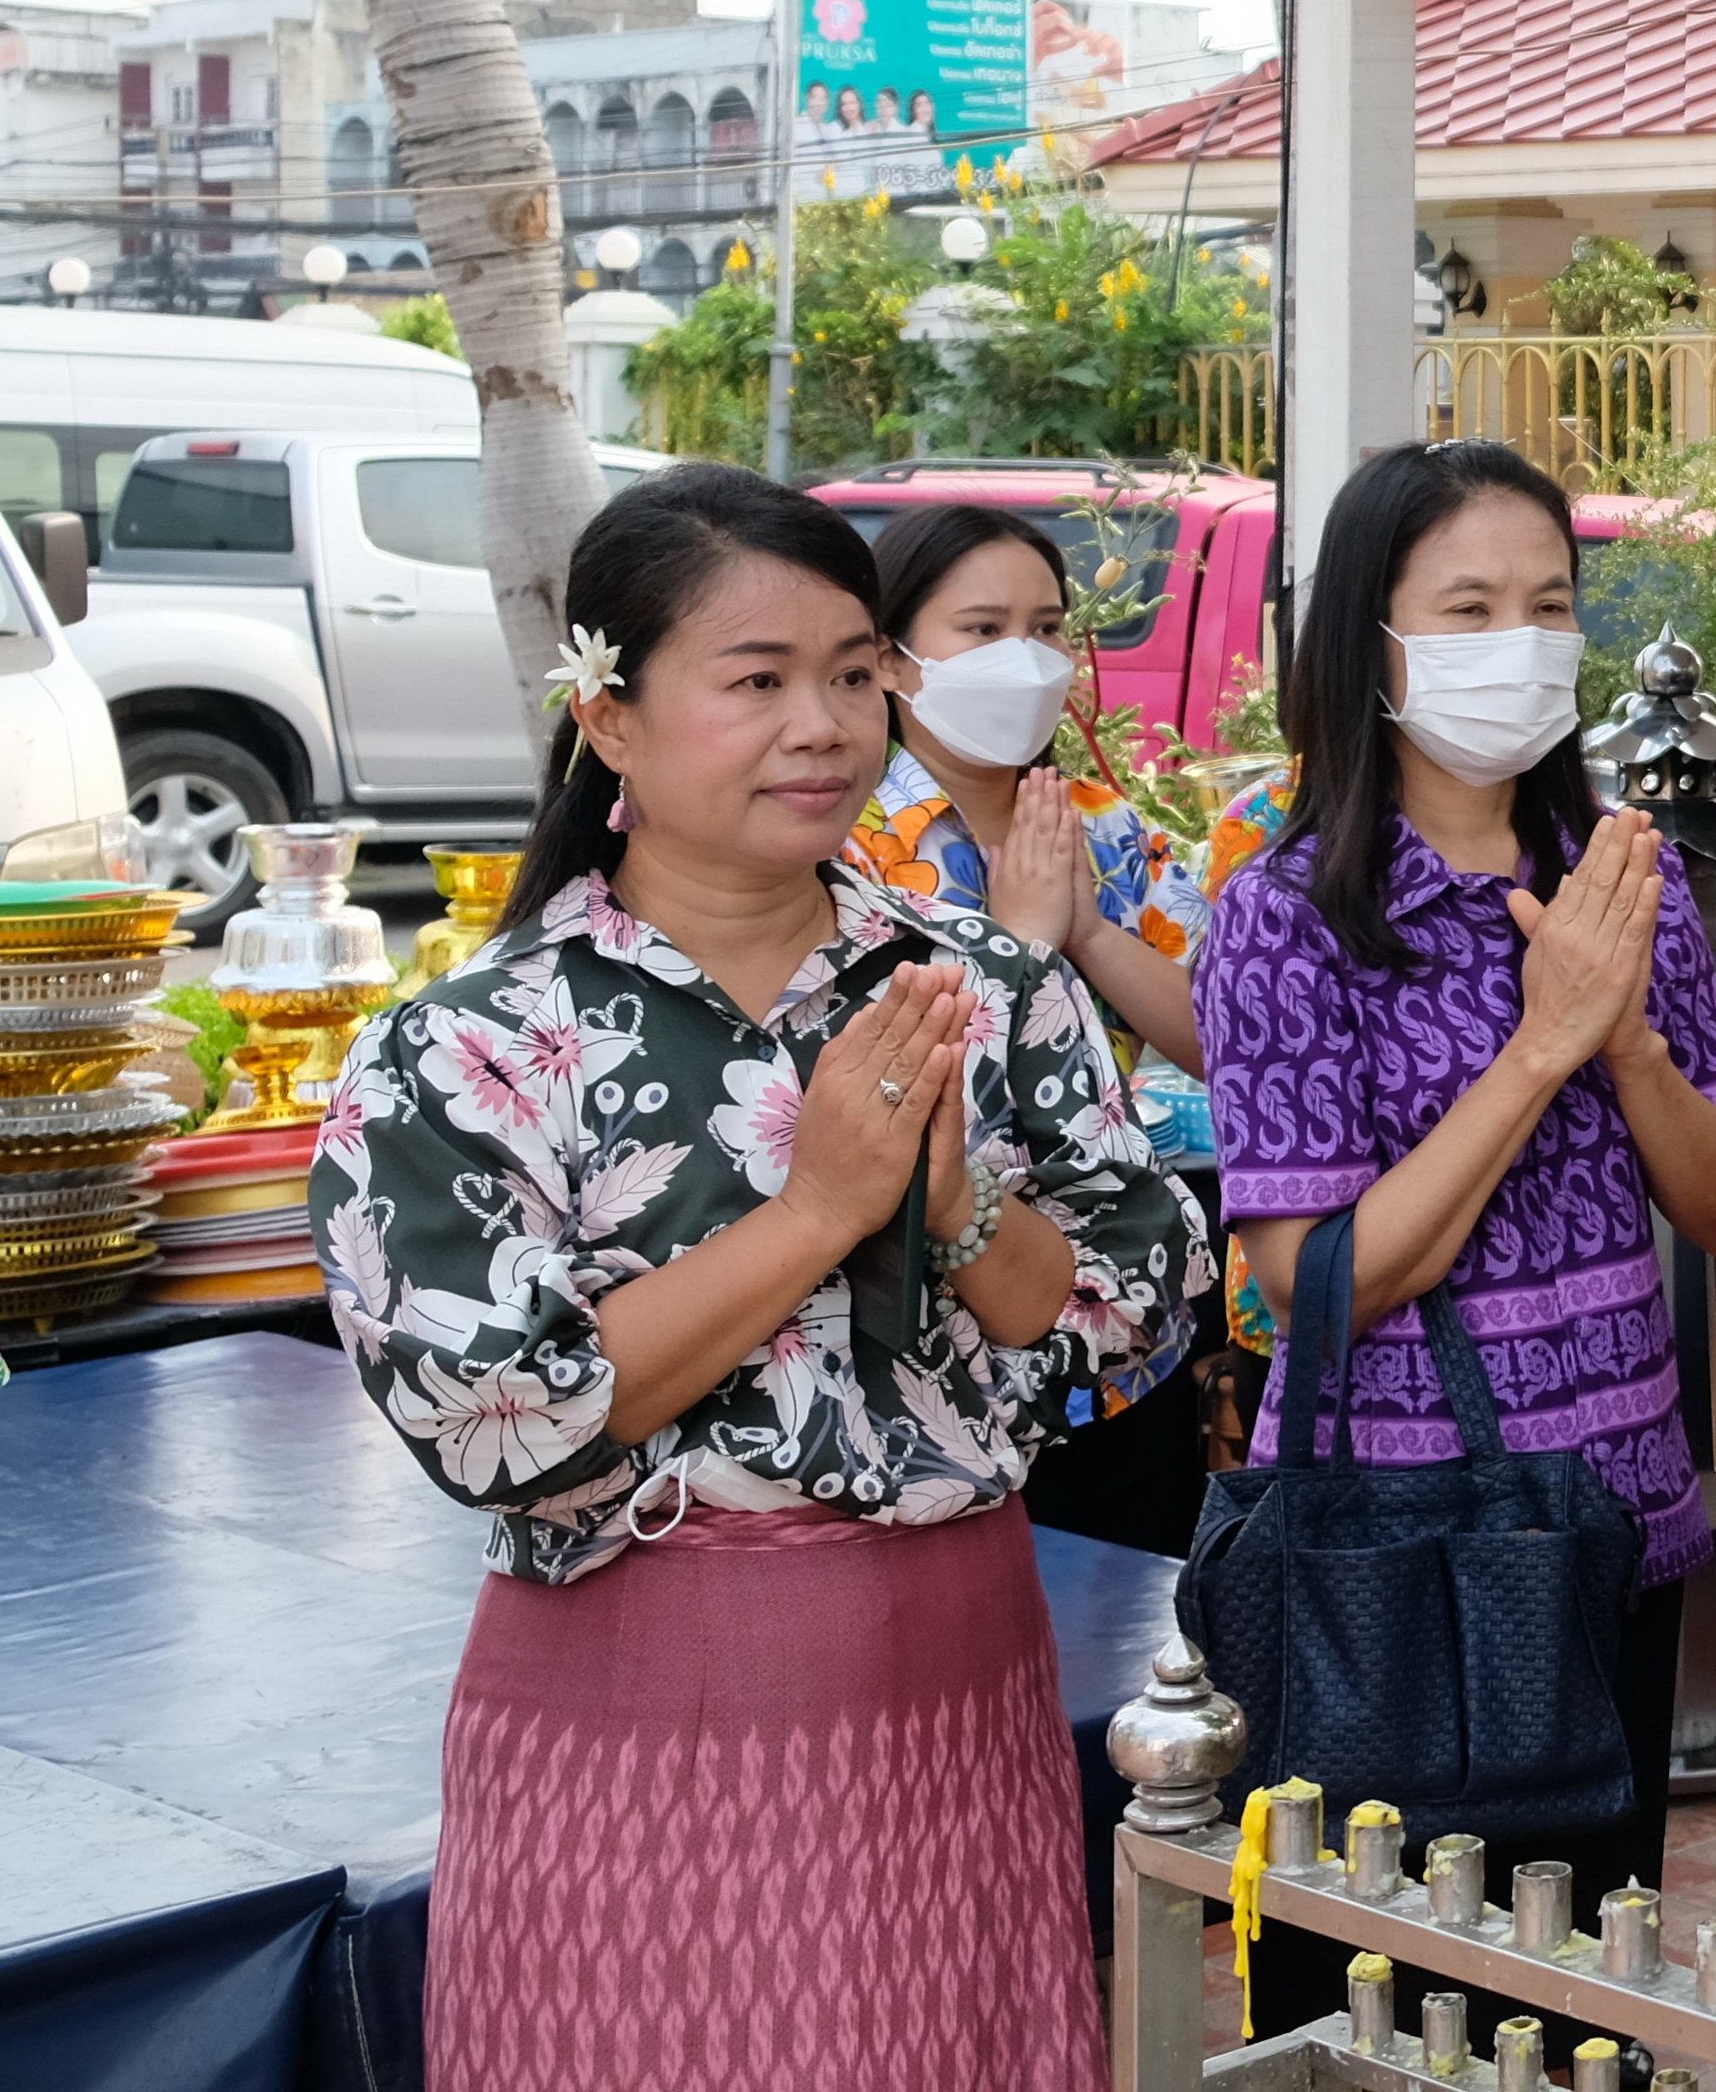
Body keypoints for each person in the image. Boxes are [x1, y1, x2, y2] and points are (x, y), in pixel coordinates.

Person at [313, 464, 1207, 2092]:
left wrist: (954, 1208)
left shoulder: (984, 986)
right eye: (757, 679)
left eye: (857, 674)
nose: (824, 724)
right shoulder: (473, 1048)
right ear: (611, 720)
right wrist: (813, 1216)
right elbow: (494, 1412)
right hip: (637, 1717)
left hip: (958, 1696)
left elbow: (1126, 1308)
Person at [1194, 438, 1716, 2025]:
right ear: (1368, 646)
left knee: (1594, 1994)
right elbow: (1329, 1283)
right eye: (1466, 609)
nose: (1518, 644)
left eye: (1548, 604)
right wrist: (1539, 1047)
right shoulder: (1286, 917)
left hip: (1621, 1535)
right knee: (1392, 2003)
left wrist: (1628, 1037)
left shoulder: (1614, 881)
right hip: (1408, 1562)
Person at [844, 499, 1224, 1556]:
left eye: (1049, 626)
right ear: (895, 658)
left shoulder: (1102, 822)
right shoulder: (853, 844)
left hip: (1119, 1344)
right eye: (983, 627)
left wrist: (1091, 935)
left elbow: (1223, 1038)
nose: (1028, 655)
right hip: (933, 1365)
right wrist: (1014, 942)